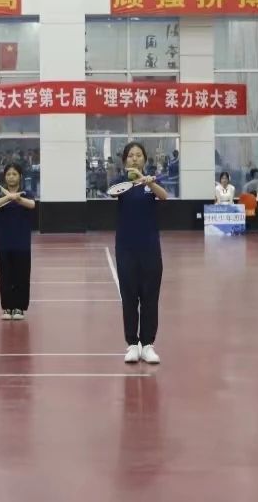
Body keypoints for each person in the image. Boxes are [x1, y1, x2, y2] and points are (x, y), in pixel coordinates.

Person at [113, 141, 168, 365]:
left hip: (150, 247)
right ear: (125, 160)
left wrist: (149, 181)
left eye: (138, 155)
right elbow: (112, 193)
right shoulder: (120, 183)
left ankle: (147, 345)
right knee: (129, 297)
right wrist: (131, 181)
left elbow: (164, 196)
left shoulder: (152, 182)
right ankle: (132, 344)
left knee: (150, 297)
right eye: (130, 155)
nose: (134, 158)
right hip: (126, 247)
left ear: (145, 159)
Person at [0, 161, 36, 320]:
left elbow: (32, 205)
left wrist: (17, 198)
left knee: (21, 276)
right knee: (5, 276)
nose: (11, 177)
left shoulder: (26, 193)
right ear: (5, 177)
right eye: (8, 174)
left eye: (14, 174)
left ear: (20, 176)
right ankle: (7, 308)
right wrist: (8, 197)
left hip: (22, 244)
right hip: (3, 243)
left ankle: (19, 308)